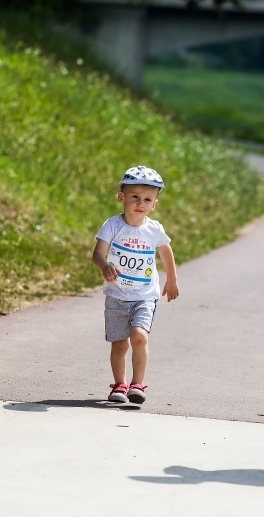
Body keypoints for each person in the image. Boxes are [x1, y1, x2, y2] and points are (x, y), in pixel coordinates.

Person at [92, 165, 179, 405]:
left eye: (147, 199)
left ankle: (137, 384)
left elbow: (166, 252)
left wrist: (172, 279)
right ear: (122, 197)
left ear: (154, 205)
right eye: (134, 197)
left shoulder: (154, 229)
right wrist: (105, 266)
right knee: (120, 344)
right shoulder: (112, 226)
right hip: (117, 296)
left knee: (139, 336)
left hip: (144, 295)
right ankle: (119, 384)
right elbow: (98, 254)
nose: (141, 203)